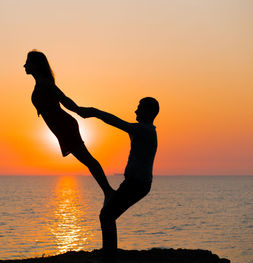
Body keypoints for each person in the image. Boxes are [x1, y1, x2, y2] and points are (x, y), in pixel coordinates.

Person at [77, 97, 159, 263]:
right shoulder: (144, 130)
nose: (135, 111)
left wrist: (95, 112)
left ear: (149, 112)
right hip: (134, 183)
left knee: (107, 216)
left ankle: (109, 257)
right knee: (107, 215)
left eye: (139, 108)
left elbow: (117, 122)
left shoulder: (145, 130)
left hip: (137, 184)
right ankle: (109, 255)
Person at [24, 50, 114, 199]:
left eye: (28, 62)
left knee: (88, 160)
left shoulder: (45, 83)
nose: (24, 65)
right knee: (87, 160)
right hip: (61, 128)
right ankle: (108, 192)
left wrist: (79, 110)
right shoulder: (41, 83)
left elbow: (64, 99)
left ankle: (109, 192)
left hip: (65, 126)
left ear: (36, 65)